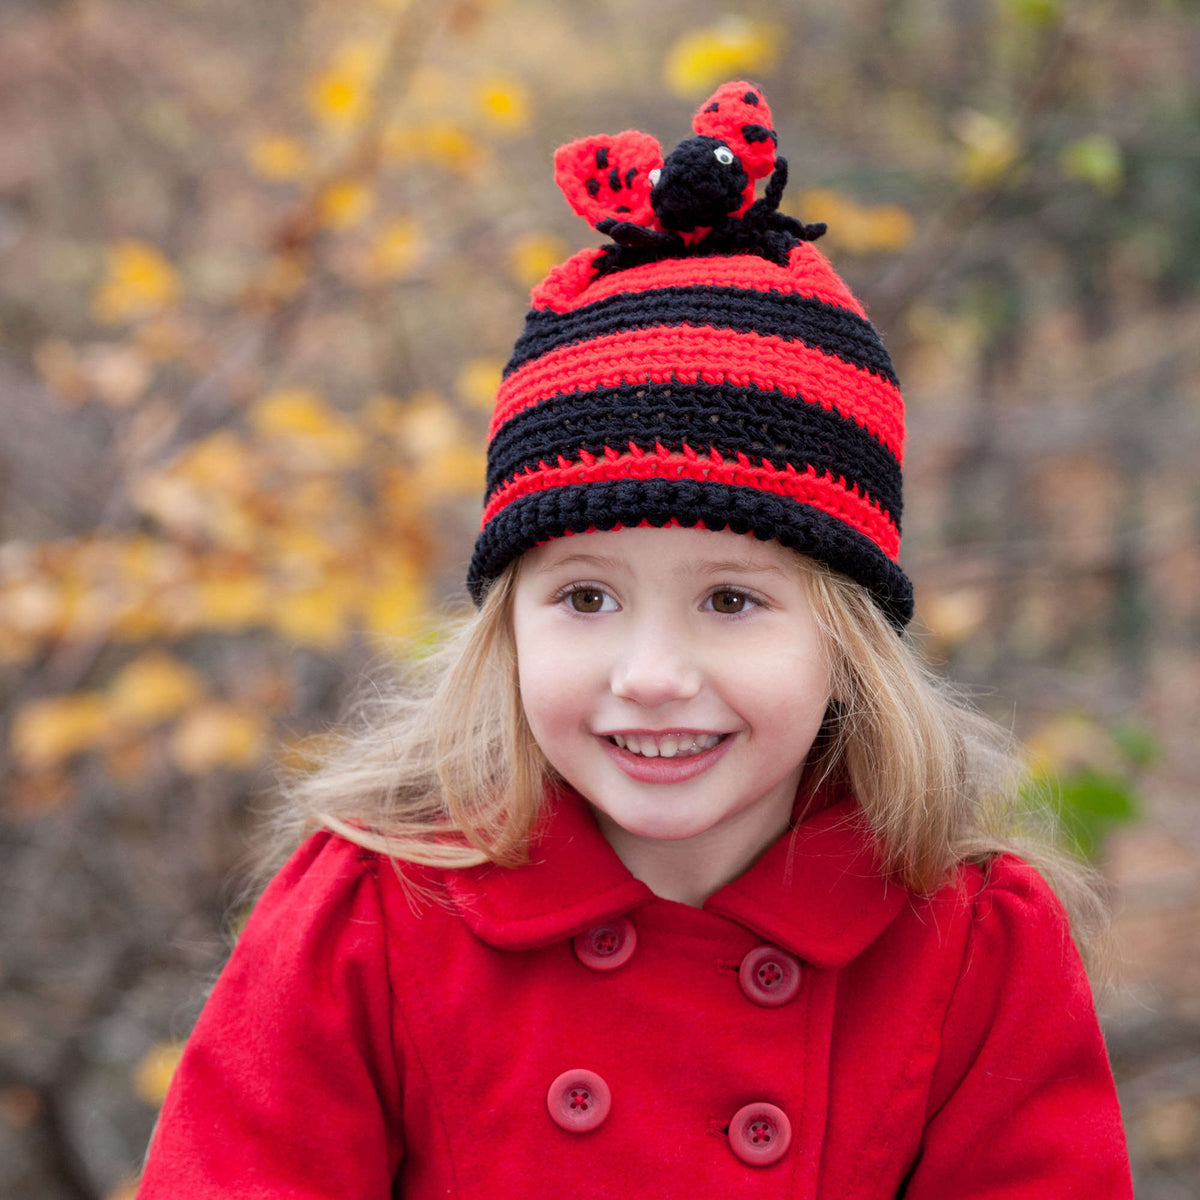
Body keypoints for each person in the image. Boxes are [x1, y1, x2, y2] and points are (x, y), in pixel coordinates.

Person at [136, 81, 1133, 1198]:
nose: (651, 677)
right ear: (508, 627)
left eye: (731, 602)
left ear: (848, 641)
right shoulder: (374, 913)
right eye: (586, 599)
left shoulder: (969, 945)